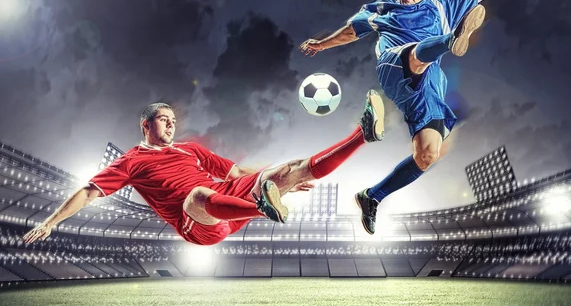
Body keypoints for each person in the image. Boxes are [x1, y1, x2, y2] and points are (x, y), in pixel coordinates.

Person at [300, 0, 531, 235]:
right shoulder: (380, 9)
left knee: (427, 155)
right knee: (416, 55)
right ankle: (451, 40)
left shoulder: (441, 5)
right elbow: (349, 31)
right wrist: (321, 44)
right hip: (395, 65)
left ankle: (372, 196)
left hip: (430, 85)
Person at [23, 91, 385, 246]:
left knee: (290, 167)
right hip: (196, 220)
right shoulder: (132, 160)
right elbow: (89, 192)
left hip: (228, 200)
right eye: (163, 120)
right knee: (197, 194)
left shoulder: (191, 149)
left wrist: (277, 178)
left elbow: (237, 174)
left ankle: (360, 135)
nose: (170, 125)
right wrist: (51, 221)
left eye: (173, 120)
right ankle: (264, 207)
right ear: (145, 125)